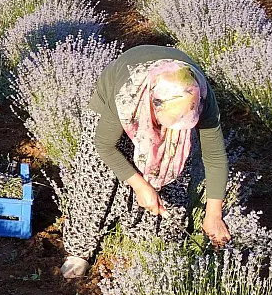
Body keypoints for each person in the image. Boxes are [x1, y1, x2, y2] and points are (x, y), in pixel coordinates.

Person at [60, 46, 231, 279]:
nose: (169, 132)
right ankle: (79, 250)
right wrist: (140, 185)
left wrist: (214, 214)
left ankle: (150, 243)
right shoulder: (126, 94)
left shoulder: (199, 97)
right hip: (117, 98)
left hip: (171, 104)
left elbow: (215, 156)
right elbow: (104, 146)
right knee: (97, 179)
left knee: (173, 171)